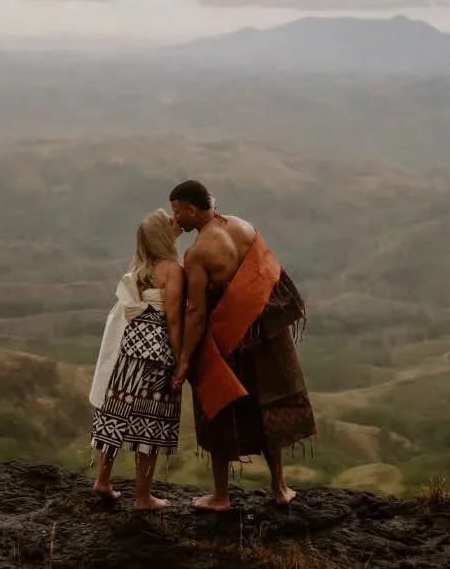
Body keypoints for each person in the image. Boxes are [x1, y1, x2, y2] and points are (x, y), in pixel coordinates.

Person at [169, 180, 316, 510]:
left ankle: (221, 496)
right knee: (267, 406)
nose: (176, 219)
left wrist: (183, 359)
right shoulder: (244, 227)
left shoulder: (197, 254)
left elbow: (195, 312)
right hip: (266, 335)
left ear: (193, 209)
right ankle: (280, 488)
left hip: (228, 343)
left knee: (218, 407)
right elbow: (268, 275)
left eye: (178, 212)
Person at [88, 207, 186, 510]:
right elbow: (173, 319)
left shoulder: (140, 265)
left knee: (118, 408)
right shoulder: (172, 269)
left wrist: (169, 230)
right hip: (156, 351)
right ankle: (143, 496)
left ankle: (103, 479)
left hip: (129, 347)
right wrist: (182, 359)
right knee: (151, 419)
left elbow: (152, 243)